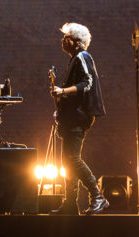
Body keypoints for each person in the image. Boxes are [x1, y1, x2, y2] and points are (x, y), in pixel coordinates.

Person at [50, 22, 108, 215]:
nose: (62, 41)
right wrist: (61, 105)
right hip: (71, 117)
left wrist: (62, 91)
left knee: (73, 159)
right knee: (67, 162)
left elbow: (87, 83)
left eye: (66, 37)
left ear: (76, 41)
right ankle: (70, 204)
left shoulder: (83, 56)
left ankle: (98, 197)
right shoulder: (75, 59)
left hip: (79, 117)